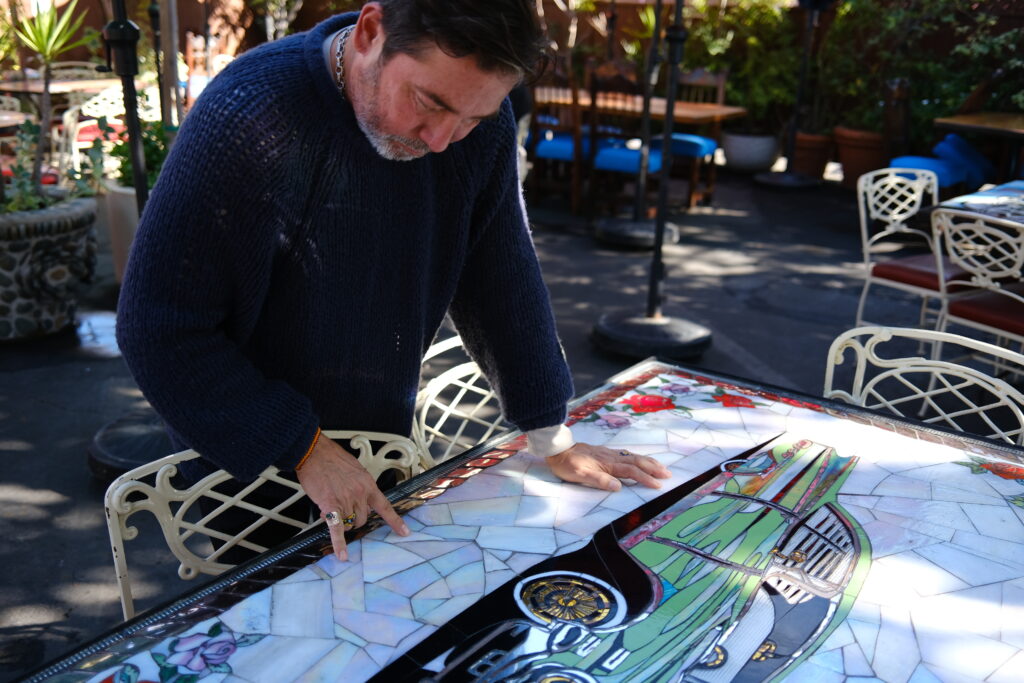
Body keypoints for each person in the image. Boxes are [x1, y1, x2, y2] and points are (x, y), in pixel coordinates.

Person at [116, 0, 670, 563]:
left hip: (381, 441)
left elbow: (501, 277)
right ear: (371, 32)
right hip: (244, 457)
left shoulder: (475, 127)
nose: (441, 140)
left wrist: (552, 435)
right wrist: (302, 447)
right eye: (429, 103)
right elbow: (160, 330)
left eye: (473, 118)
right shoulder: (251, 113)